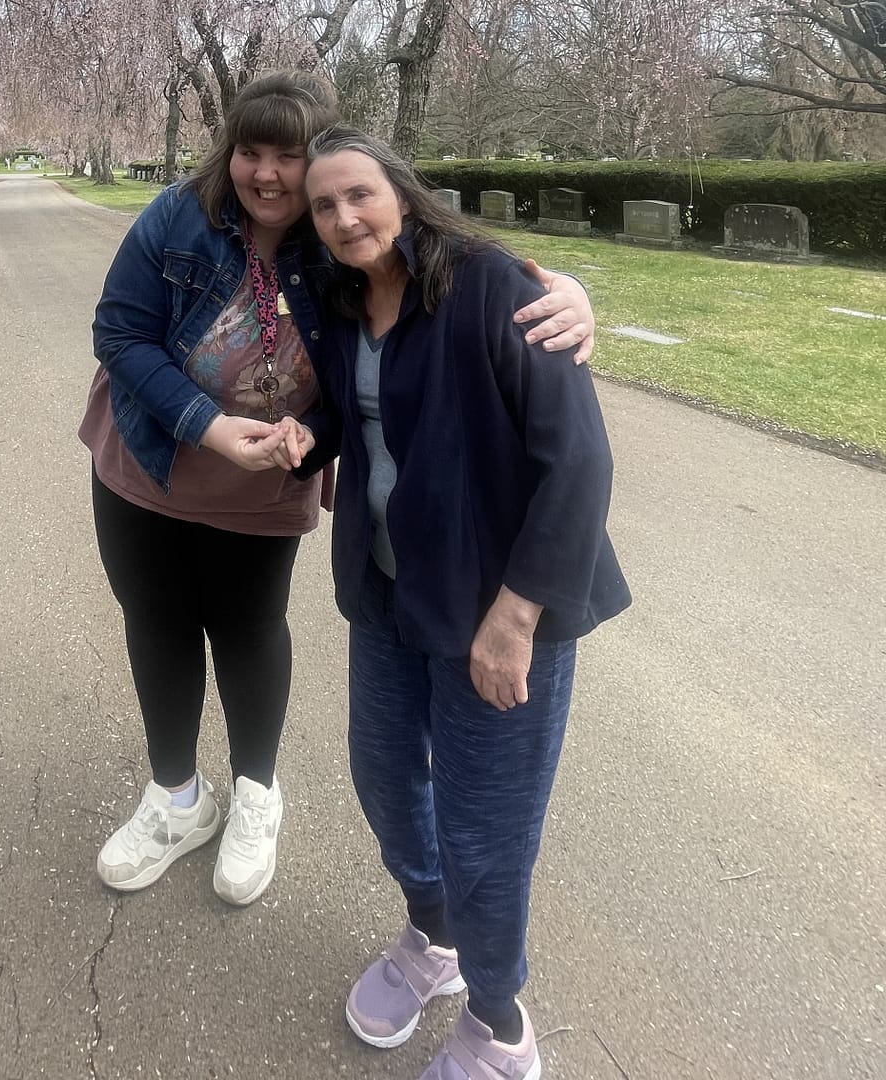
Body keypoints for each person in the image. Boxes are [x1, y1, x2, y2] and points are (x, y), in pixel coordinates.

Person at [79, 71, 597, 908]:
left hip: (269, 476)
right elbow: (120, 330)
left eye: (289, 155)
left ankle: (255, 796)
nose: (267, 174)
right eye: (250, 151)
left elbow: (451, 267)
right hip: (150, 462)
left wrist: (569, 293)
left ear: (318, 158)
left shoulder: (337, 236)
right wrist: (206, 425)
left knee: (248, 630)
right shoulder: (181, 214)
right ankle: (175, 799)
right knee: (157, 622)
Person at [271, 126, 631, 1077]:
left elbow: (580, 462)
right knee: (386, 780)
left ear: (402, 191)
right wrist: (308, 438)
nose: (344, 216)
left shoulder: (493, 287)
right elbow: (357, 408)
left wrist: (515, 619)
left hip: (496, 608)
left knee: (484, 831)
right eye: (324, 204)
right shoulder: (344, 297)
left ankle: (500, 1026)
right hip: (391, 596)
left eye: (360, 194)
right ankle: (434, 940)